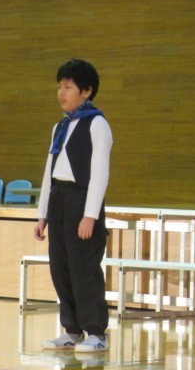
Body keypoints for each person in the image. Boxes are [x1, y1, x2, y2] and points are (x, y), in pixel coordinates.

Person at [34, 59, 113, 353]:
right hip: (59, 200)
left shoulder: (98, 124)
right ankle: (72, 329)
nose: (61, 93)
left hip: (82, 201)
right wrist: (42, 214)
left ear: (86, 91)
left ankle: (97, 332)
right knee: (61, 267)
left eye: (67, 87)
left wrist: (90, 215)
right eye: (59, 86)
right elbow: (49, 172)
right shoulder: (60, 126)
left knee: (84, 268)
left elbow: (100, 173)